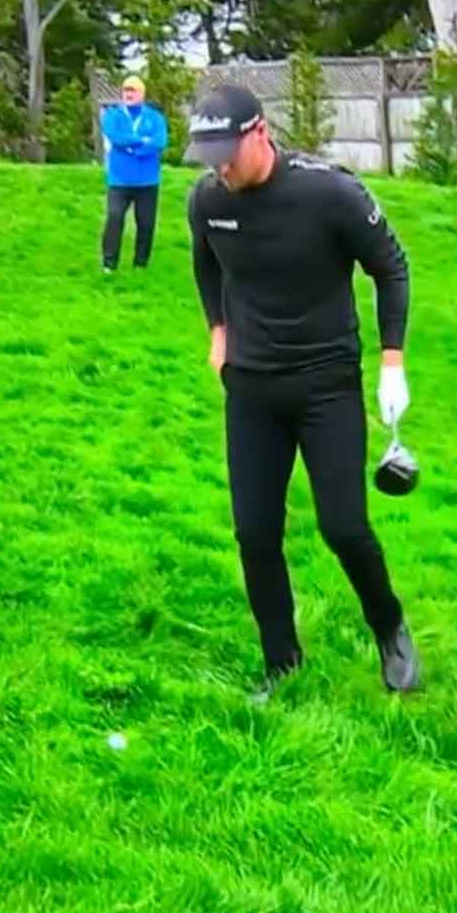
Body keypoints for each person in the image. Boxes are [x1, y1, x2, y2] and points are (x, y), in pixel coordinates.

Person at [184, 83, 421, 694]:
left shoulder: (329, 193)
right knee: (255, 532)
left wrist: (391, 360)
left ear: (259, 133)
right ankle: (281, 664)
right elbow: (205, 262)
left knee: (344, 527)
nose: (220, 168)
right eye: (209, 156)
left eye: (226, 153)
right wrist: (218, 332)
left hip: (326, 386)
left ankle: (389, 626)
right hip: (253, 390)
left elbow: (390, 267)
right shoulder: (207, 201)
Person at [99, 75, 169, 273]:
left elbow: (159, 142)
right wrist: (141, 141)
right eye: (126, 91)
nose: (128, 94)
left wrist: (134, 149)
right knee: (114, 218)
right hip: (119, 180)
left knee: (146, 223)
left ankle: (140, 264)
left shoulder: (155, 118)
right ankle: (109, 264)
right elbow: (116, 138)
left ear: (142, 94)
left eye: (133, 91)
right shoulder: (113, 116)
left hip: (147, 180)